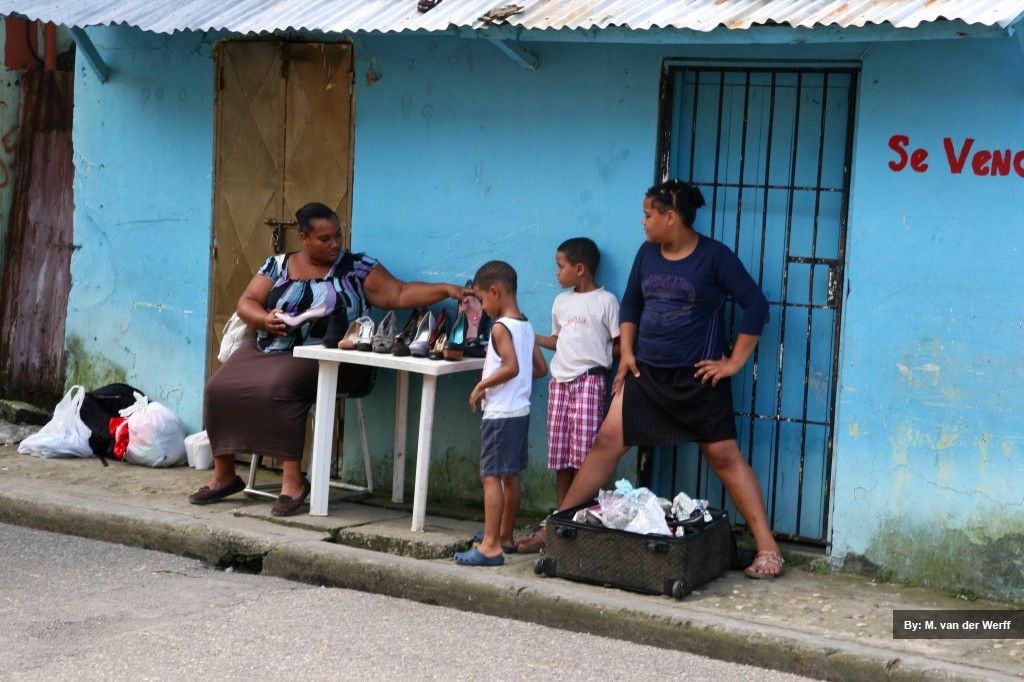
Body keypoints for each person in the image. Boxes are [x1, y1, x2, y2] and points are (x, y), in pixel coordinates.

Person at [529, 179, 784, 579]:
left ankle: (768, 548)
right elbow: (632, 303)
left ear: (671, 217)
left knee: (723, 456)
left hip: (698, 379)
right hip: (645, 374)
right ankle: (556, 526)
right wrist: (627, 353)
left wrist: (733, 362)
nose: (644, 222)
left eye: (649, 214)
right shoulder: (647, 254)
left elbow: (756, 305)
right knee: (605, 444)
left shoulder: (715, 257)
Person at [188, 202, 470, 517]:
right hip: (270, 348)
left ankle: (293, 482)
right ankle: (224, 475)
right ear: (304, 238)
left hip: (330, 356)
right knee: (218, 387)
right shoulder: (278, 265)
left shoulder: (357, 267)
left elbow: (399, 293)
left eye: (337, 235)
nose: (334, 244)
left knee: (281, 387)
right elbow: (247, 301)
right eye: (325, 239)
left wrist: (445, 289)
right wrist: (266, 319)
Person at [517, 238, 619, 553]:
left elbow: (617, 343)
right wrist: (529, 336)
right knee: (561, 455)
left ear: (580, 268)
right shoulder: (561, 302)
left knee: (585, 456)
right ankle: (561, 519)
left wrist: (604, 354)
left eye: (561, 267)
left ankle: (583, 518)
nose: (557, 273)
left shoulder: (607, 302)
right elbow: (557, 340)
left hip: (589, 383)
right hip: (559, 382)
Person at [454, 261, 547, 566]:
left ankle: (491, 545)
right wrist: (515, 383)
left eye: (481, 299)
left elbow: (511, 367)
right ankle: (505, 535)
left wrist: (482, 385)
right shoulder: (526, 325)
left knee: (490, 476)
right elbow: (538, 368)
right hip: (519, 411)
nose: (481, 306)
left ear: (494, 291)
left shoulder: (500, 327)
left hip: (500, 415)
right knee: (510, 475)